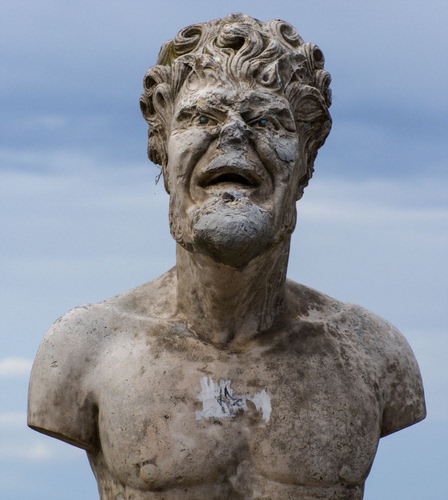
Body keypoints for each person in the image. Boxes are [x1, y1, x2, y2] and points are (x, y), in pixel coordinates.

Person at [28, 14, 425, 499]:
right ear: (162, 153)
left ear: (306, 162)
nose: (233, 136)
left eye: (265, 121)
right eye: (202, 118)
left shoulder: (371, 354)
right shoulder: (84, 350)